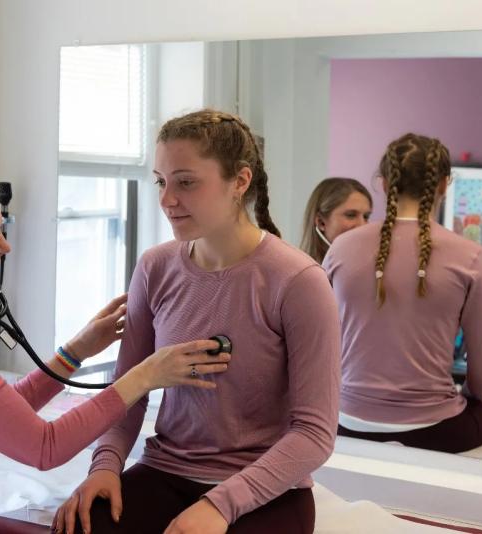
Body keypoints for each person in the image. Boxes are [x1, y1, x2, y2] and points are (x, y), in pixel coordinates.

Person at [0, 166, 232, 533]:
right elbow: (44, 446)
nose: (4, 246)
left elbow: (1, 412)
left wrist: (75, 352)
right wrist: (146, 376)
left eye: (0, 229)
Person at [53, 110, 340, 534]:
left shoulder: (299, 281)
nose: (167, 199)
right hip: (166, 471)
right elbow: (127, 393)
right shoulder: (154, 268)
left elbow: (314, 434)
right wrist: (106, 466)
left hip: (266, 488)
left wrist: (219, 505)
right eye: (160, 182)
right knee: (76, 527)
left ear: (239, 181)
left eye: (186, 182)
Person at [323, 133, 482, 453]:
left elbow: (319, 342)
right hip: (433, 430)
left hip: (344, 422)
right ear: (444, 184)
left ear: (384, 184)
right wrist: (474, 396)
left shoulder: (340, 248)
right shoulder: (472, 257)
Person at [300, 177, 372, 263]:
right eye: (351, 215)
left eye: (366, 217)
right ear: (321, 223)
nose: (363, 225)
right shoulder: (302, 269)